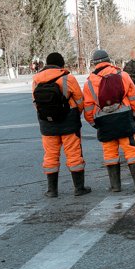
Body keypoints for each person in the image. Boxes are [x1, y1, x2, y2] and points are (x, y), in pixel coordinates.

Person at [83, 49, 135, 194]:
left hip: (104, 121)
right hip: (124, 118)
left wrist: (94, 123)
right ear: (109, 60)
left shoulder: (89, 82)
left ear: (94, 63)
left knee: (109, 153)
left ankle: (115, 186)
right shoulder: (122, 75)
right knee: (131, 151)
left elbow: (88, 107)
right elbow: (134, 97)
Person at [32, 52, 91, 197]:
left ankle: (52, 190)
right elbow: (79, 100)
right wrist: (75, 113)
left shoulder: (36, 79)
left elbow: (36, 102)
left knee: (50, 156)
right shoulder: (67, 78)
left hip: (47, 124)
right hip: (68, 123)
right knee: (74, 154)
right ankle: (79, 188)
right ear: (62, 64)